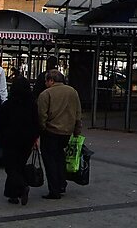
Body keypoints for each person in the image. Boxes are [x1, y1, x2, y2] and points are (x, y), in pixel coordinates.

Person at [0, 77, 39, 205]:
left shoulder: (7, 105)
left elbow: (0, 123)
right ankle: (13, 194)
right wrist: (36, 137)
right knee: (19, 165)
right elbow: (36, 122)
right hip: (27, 140)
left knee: (11, 167)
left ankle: (22, 186)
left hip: (10, 139)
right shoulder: (32, 105)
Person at [37, 70, 81, 200]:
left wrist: (41, 129)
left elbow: (41, 115)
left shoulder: (46, 94)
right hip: (67, 131)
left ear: (51, 80)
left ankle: (54, 189)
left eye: (46, 81)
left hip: (50, 131)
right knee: (60, 157)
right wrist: (77, 130)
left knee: (50, 160)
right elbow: (78, 112)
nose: (45, 83)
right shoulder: (73, 92)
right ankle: (62, 183)